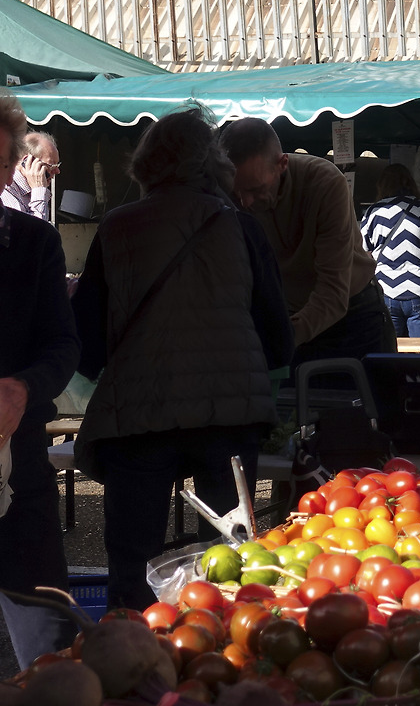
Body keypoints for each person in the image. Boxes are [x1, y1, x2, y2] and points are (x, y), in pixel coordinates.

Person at [72, 109, 293, 609]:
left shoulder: (117, 228)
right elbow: (278, 340)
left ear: (145, 163)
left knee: (133, 561)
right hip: (230, 415)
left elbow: (86, 340)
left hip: (138, 417)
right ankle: (222, 646)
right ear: (215, 163)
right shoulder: (241, 227)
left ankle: (132, 645)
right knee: (229, 559)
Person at [0, 93, 79, 666]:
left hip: (19, 460)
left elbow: (63, 345)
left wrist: (25, 386)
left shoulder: (34, 244)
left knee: (50, 647)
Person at [220, 117, 394, 367]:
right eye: (237, 191)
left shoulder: (325, 182)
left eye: (256, 189)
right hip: (289, 317)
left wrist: (279, 341)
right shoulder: (226, 191)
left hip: (353, 317)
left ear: (282, 164)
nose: (245, 202)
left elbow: (333, 292)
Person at [360, 163, 420, 338]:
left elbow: (364, 254)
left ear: (382, 185)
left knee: (389, 349)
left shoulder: (373, 212)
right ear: (411, 183)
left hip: (386, 290)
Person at [2, 131, 60, 222]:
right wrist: (39, 191)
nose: (57, 171)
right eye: (51, 165)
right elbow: (35, 230)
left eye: (57, 165)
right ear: (28, 162)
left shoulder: (30, 191)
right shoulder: (6, 190)